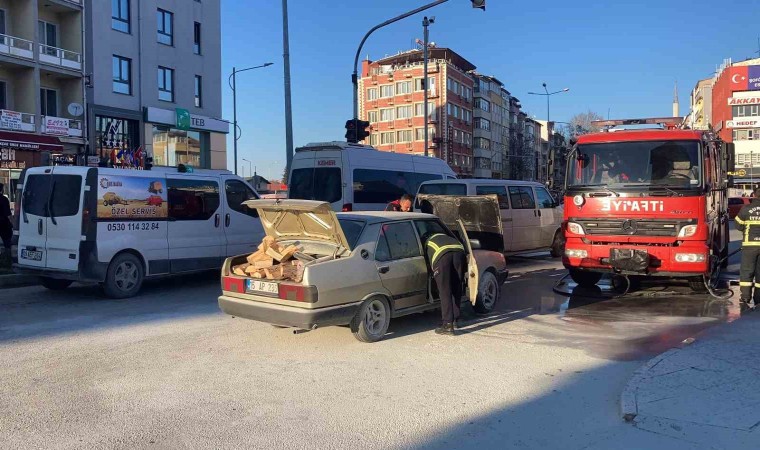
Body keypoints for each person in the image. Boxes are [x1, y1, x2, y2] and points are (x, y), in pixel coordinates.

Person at [425, 232, 466, 335]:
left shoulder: (428, 242)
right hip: (459, 251)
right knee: (456, 287)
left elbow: (427, 263)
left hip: (442, 256)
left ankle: (448, 324)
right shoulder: (448, 237)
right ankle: (456, 319)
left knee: (444, 290)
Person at [735, 186, 760, 309]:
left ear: (754, 195)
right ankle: (759, 298)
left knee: (747, 271)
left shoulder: (746, 209)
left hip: (749, 245)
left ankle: (745, 297)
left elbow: (738, 225)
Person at [0, 183, 12, 252]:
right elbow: (8, 214)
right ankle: (7, 255)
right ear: (2, 190)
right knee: (7, 243)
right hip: (3, 224)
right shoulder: (4, 199)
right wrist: (12, 223)